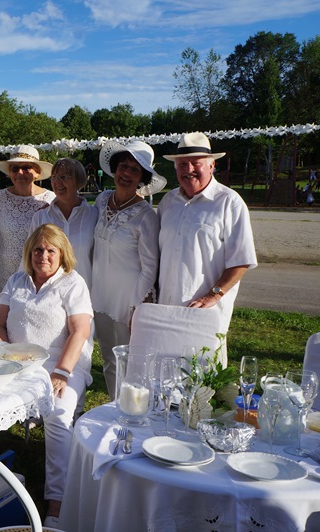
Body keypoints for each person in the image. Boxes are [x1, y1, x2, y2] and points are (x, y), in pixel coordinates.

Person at [0, 224, 93, 527]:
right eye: (38, 249)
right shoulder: (16, 280)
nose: (43, 256)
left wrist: (62, 372)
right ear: (29, 252)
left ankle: (56, 503)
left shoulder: (72, 283)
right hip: (18, 363)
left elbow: (81, 331)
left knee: (59, 416)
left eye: (51, 250)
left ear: (62, 254)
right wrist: (2, 356)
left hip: (63, 363)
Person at [158, 132, 257, 339]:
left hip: (205, 313)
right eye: (182, 164)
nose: (189, 170)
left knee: (203, 368)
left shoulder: (229, 202)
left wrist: (214, 294)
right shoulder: (168, 202)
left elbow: (241, 260)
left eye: (196, 163)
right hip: (165, 311)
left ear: (212, 166)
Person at [93, 140, 165, 398]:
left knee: (130, 364)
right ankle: (114, 409)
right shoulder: (101, 201)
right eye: (123, 166)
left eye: (135, 170)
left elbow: (150, 268)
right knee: (108, 358)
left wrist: (136, 308)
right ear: (115, 168)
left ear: (142, 178)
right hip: (100, 295)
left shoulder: (146, 215)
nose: (126, 173)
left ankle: (132, 412)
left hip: (128, 301)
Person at [0, 145, 55, 293]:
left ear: (37, 172)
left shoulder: (50, 200)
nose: (20, 173)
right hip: (6, 275)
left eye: (26, 167)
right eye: (14, 168)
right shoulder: (1, 198)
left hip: (41, 274)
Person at [30, 158, 97, 290]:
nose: (57, 182)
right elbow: (29, 257)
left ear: (78, 181)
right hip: (48, 294)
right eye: (54, 177)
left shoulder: (93, 215)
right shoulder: (41, 217)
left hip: (83, 293)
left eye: (64, 177)